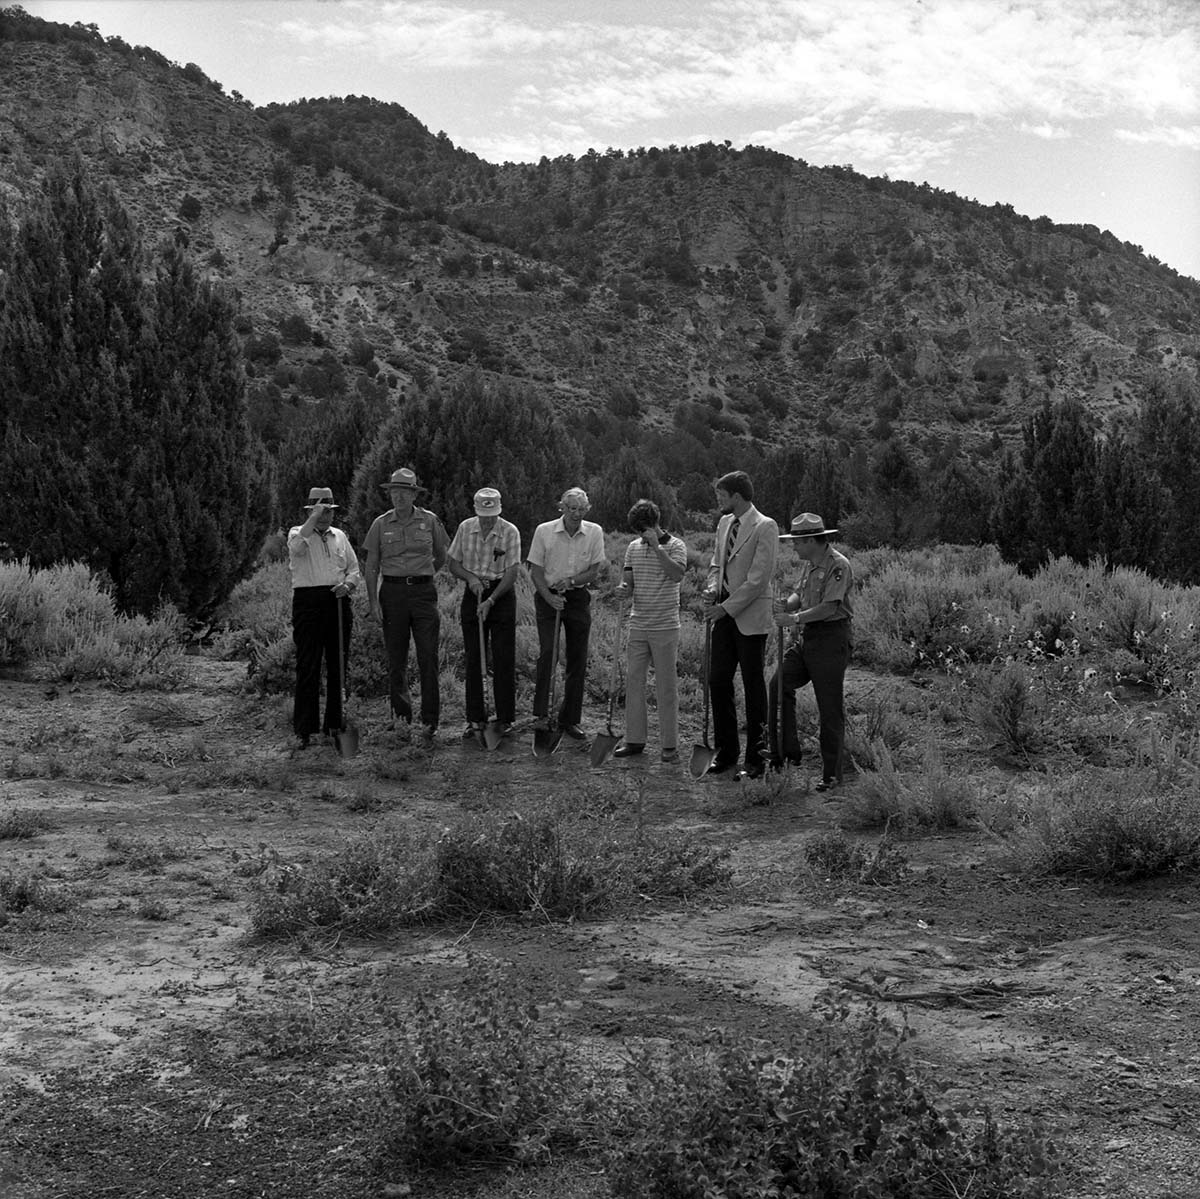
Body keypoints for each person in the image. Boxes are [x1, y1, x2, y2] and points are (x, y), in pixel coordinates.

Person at [701, 470, 778, 780]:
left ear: (737, 496)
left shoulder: (765, 526)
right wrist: (710, 587)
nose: (718, 500)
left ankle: (757, 759)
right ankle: (726, 752)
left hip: (749, 618)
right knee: (717, 680)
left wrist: (726, 608)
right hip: (723, 613)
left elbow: (759, 579)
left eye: (722, 495)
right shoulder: (724, 523)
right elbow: (716, 564)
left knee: (753, 686)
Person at [363, 467, 449, 742]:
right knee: (396, 659)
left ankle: (430, 721)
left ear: (414, 494)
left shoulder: (430, 521)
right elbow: (372, 566)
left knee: (428, 657)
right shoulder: (380, 524)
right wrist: (373, 602)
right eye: (394, 492)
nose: (398, 497)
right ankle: (401, 719)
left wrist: (422, 576)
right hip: (393, 593)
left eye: (404, 492)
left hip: (424, 594)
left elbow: (441, 556)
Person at [770, 513, 854, 792]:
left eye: (797, 541)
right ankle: (786, 752)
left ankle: (831, 775)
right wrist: (788, 604)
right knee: (779, 684)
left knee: (829, 708)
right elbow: (799, 594)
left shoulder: (838, 565)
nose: (793, 546)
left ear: (810, 540)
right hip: (807, 638)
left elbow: (830, 607)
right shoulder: (810, 565)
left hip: (830, 639)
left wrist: (794, 619)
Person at [527, 487, 607, 740]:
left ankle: (570, 720)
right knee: (548, 652)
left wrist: (571, 582)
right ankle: (541, 715)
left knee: (577, 658)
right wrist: (550, 597)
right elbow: (535, 571)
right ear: (561, 507)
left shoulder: (594, 532)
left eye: (581, 509)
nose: (576, 513)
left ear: (587, 509)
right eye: (571, 508)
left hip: (577, 597)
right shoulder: (544, 531)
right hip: (547, 596)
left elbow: (594, 571)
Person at [613, 499, 687, 764]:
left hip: (665, 625)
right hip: (638, 624)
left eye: (644, 530)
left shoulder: (677, 545)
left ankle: (669, 744)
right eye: (638, 532)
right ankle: (635, 740)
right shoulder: (633, 548)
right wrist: (623, 588)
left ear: (655, 524)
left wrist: (657, 548)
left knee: (666, 686)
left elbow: (677, 575)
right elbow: (628, 581)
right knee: (634, 683)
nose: (641, 536)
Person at [286, 486, 361, 750]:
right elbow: (296, 549)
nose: (326, 515)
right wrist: (312, 519)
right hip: (308, 602)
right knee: (309, 664)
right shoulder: (298, 532)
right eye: (321, 511)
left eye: (329, 511)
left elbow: (353, 569)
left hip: (337, 600)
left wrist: (349, 586)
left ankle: (334, 724)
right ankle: (304, 729)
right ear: (310, 511)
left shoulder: (340, 536)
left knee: (338, 663)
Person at [446, 486, 521, 740]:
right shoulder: (466, 528)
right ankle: (475, 718)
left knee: (503, 657)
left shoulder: (510, 531)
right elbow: (453, 563)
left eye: (492, 515)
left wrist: (491, 599)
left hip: (500, 594)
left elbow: (512, 571)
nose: (487, 520)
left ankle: (504, 718)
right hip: (473, 593)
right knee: (474, 656)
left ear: (498, 511)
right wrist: (470, 578)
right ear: (476, 512)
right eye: (483, 515)